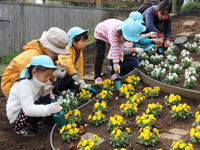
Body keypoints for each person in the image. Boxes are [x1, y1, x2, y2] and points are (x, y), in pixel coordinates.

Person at [1, 27, 69, 98]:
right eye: (55, 51)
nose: (57, 54)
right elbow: (30, 76)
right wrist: (52, 74)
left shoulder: (45, 53)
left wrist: (55, 70)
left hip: (27, 82)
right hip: (12, 87)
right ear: (46, 46)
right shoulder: (32, 56)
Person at [6, 55, 63, 137]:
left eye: (49, 76)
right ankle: (24, 126)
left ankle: (36, 122)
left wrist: (46, 89)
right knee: (44, 106)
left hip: (30, 106)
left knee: (50, 97)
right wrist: (49, 109)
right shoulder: (25, 84)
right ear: (34, 72)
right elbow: (28, 109)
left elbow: (45, 97)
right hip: (19, 114)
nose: (48, 78)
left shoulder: (38, 80)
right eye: (46, 76)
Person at [94, 18, 146, 84]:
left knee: (116, 55)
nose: (125, 41)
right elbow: (114, 48)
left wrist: (121, 54)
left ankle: (113, 74)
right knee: (100, 55)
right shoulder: (113, 32)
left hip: (110, 32)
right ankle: (97, 76)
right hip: (100, 33)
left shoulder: (126, 30)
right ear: (121, 34)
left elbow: (120, 45)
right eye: (125, 39)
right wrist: (116, 63)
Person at [53, 27, 89, 94]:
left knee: (76, 78)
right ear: (73, 42)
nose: (85, 44)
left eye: (85, 41)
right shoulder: (67, 49)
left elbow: (80, 67)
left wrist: (81, 80)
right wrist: (76, 78)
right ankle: (56, 89)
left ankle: (67, 89)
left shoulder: (79, 52)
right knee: (74, 72)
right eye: (82, 41)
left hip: (70, 74)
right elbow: (67, 64)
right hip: (58, 74)